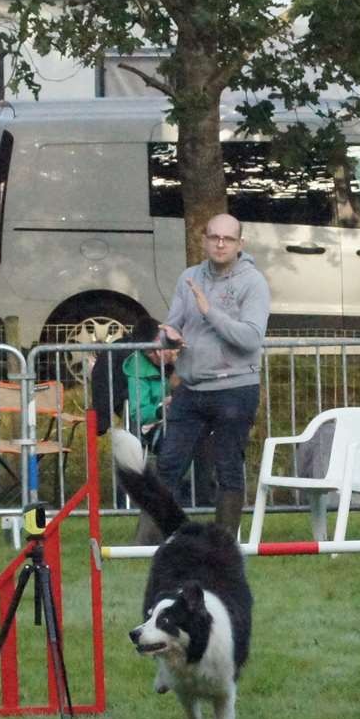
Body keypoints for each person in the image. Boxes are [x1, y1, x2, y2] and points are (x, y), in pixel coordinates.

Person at [143, 213, 270, 542]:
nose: (220, 243)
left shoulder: (253, 282)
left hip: (235, 388)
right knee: (168, 463)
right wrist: (168, 339)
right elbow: (174, 326)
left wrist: (209, 311)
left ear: (240, 244)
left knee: (227, 468)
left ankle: (224, 544)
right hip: (191, 386)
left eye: (227, 238)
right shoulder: (189, 277)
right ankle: (147, 544)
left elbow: (251, 339)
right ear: (204, 240)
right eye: (213, 237)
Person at [88, 317, 176, 441]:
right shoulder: (133, 363)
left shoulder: (181, 349)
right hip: (149, 420)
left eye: (160, 346)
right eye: (150, 351)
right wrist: (101, 423)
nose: (157, 354)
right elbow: (102, 388)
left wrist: (177, 363)